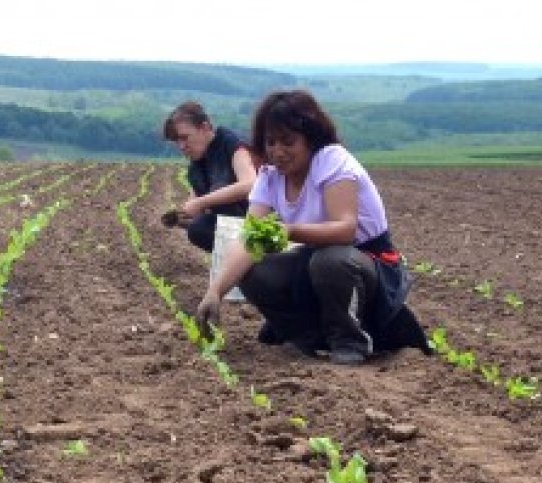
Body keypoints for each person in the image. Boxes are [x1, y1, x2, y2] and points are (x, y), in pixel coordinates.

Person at [194, 90, 427, 365]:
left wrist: (290, 231)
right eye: (270, 142)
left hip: (366, 260)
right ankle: (307, 336)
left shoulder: (331, 160)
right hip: (316, 258)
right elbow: (249, 237)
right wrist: (215, 291)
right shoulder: (269, 176)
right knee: (255, 272)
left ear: (311, 139)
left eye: (288, 142)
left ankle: (350, 339)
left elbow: (345, 230)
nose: (278, 152)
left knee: (330, 260)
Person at [162, 102, 256, 253]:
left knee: (200, 228)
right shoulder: (196, 168)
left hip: (260, 222)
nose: (181, 146)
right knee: (199, 229)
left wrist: (201, 202)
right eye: (177, 141)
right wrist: (180, 217)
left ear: (204, 127)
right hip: (235, 227)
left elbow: (250, 184)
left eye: (185, 138)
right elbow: (198, 210)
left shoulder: (230, 143)